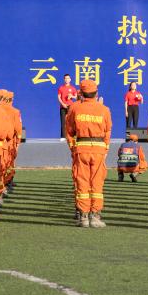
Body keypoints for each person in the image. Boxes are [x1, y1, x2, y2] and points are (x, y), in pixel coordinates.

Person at [65, 79, 112, 229]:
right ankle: (95, 216)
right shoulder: (104, 109)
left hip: (81, 149)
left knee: (82, 181)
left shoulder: (74, 108)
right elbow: (108, 131)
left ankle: (84, 216)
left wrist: (73, 147)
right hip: (98, 149)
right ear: (96, 93)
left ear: (81, 93)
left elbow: (69, 131)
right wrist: (106, 148)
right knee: (97, 182)